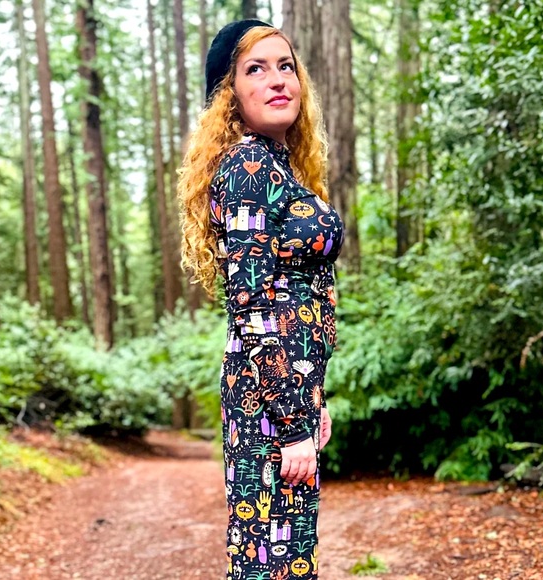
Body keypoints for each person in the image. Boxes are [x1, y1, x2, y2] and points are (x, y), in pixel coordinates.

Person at [177, 18, 345, 579]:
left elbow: (303, 293)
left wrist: (313, 397)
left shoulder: (276, 168)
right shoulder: (248, 168)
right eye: (256, 69)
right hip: (266, 403)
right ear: (230, 94)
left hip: (286, 396)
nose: (278, 80)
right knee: (270, 563)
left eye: (286, 66)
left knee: (285, 560)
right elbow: (252, 309)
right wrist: (293, 420)